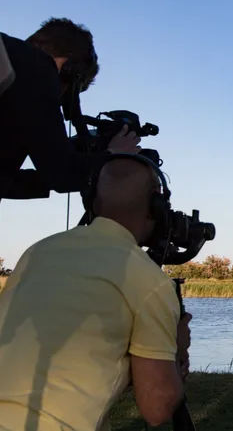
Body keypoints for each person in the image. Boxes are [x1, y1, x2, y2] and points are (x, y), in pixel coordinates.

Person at [0, 154, 191, 430]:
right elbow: (157, 407)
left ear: (92, 200)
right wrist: (176, 351)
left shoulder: (37, 252)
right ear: (156, 206)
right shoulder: (149, 280)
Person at [0, 17, 140, 203]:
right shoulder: (37, 66)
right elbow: (62, 173)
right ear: (69, 69)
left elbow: (8, 182)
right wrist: (113, 157)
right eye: (68, 91)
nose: (59, 99)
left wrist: (73, 158)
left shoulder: (10, 61)